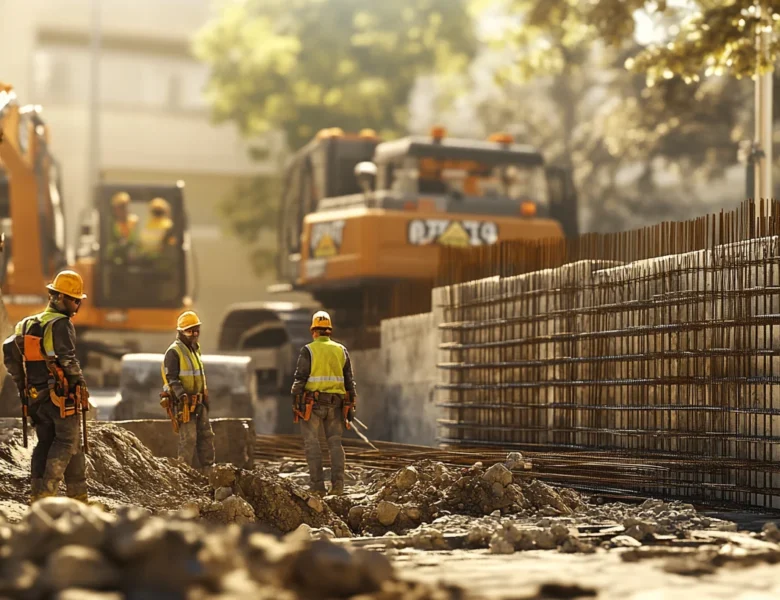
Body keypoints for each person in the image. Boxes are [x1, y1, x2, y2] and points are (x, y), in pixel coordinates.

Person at [2, 270, 89, 503]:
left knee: (49, 442)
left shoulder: (27, 323)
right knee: (66, 442)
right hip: (61, 396)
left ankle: (61, 494)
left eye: (79, 300)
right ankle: (47, 493)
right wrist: (80, 385)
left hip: (36, 398)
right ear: (59, 298)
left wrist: (22, 386)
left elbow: (9, 353)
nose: (78, 305)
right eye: (74, 299)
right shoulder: (61, 324)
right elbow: (68, 360)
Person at [291, 310, 357, 496]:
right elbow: (349, 381)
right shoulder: (341, 350)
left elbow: (300, 379)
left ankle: (317, 487)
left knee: (312, 443)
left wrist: (296, 401)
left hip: (313, 404)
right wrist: (351, 404)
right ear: (329, 331)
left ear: (314, 331)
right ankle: (338, 486)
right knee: (335, 443)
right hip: (336, 406)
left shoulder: (308, 350)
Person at [161, 310, 215, 473]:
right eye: (190, 330)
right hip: (183, 403)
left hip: (198, 401)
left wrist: (204, 396)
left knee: (206, 434)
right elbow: (172, 377)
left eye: (196, 330)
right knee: (189, 437)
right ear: (181, 332)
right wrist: (181, 395)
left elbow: (199, 375)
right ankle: (184, 471)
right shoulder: (174, 351)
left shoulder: (194, 350)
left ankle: (208, 468)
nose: (194, 334)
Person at [106, 191, 139, 266]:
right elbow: (110, 246)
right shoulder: (111, 223)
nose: (124, 210)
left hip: (131, 260)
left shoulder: (133, 221)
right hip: (114, 260)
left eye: (125, 206)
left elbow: (135, 241)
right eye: (120, 207)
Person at [139, 197, 177, 262]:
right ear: (165, 211)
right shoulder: (168, 225)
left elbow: (141, 243)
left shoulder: (147, 226)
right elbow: (172, 243)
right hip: (162, 260)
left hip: (147, 259)